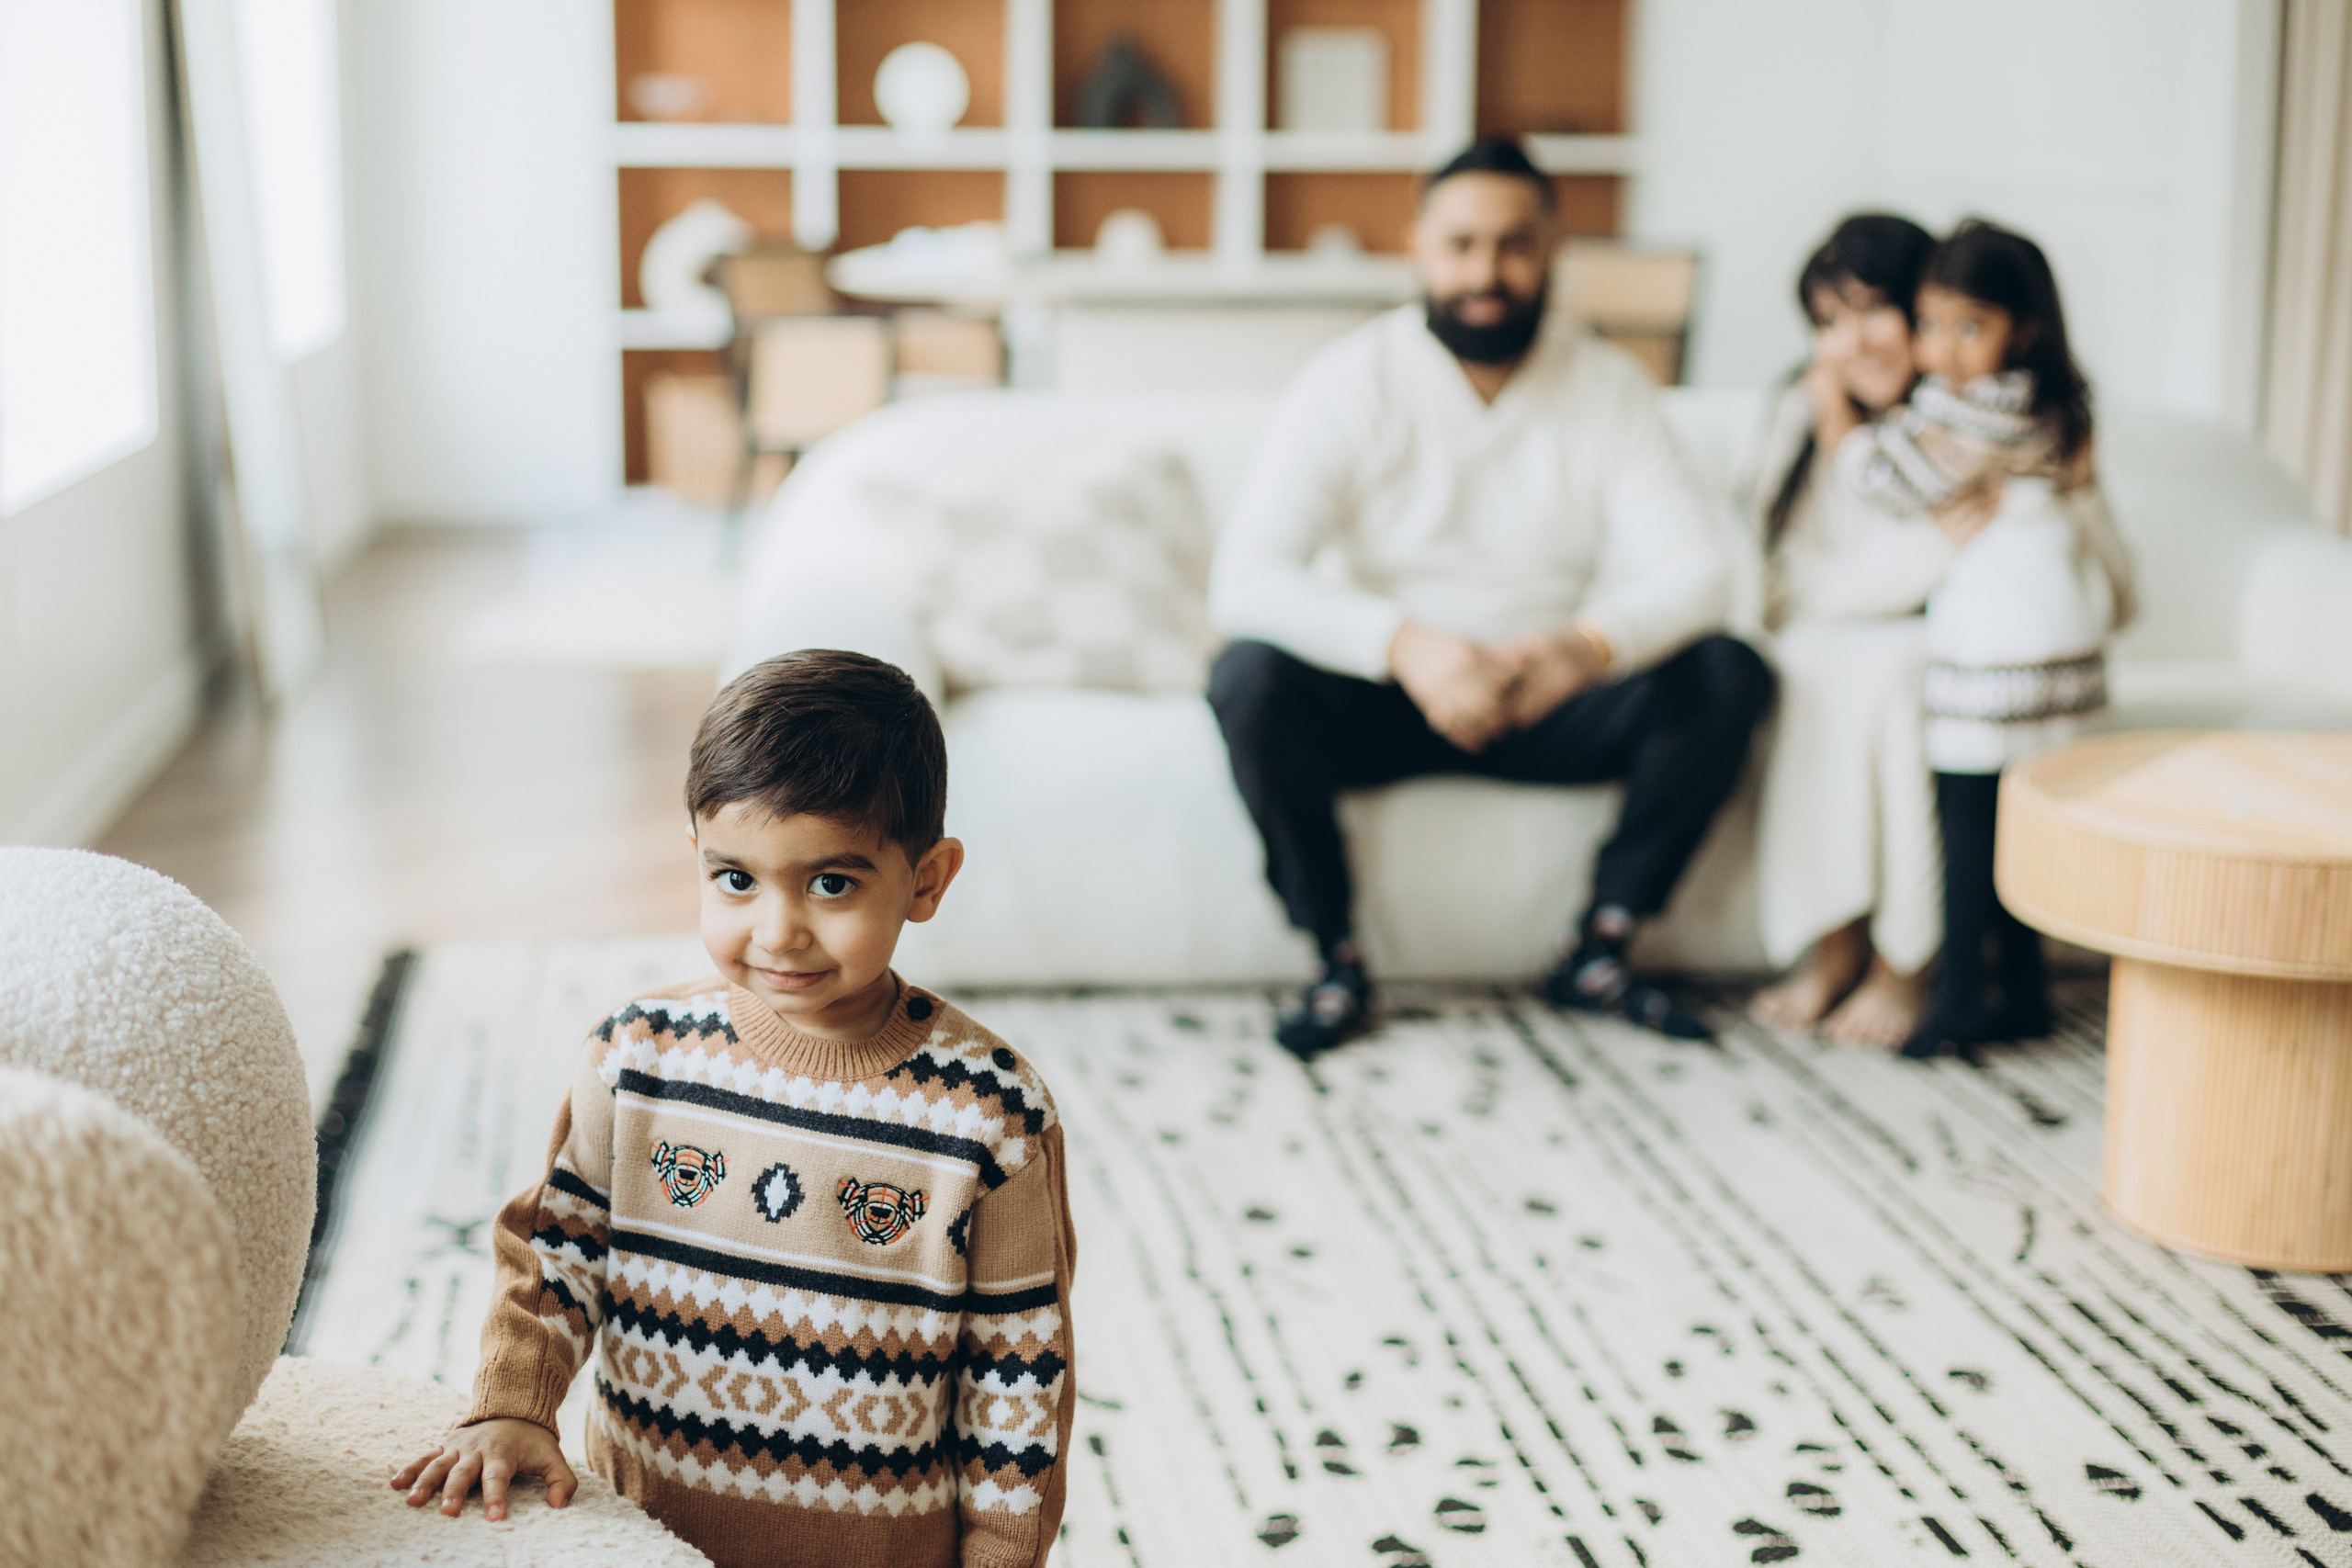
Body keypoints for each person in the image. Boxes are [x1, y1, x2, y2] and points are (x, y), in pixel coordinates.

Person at [390, 651, 1077, 1568]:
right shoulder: (636, 1059)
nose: (777, 929)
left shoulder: (989, 1115)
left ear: (925, 879)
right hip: (642, 1536)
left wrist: (998, 1557)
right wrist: (515, 1404)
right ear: (697, 861)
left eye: (830, 883)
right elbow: (555, 1250)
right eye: (735, 879)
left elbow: (1017, 1372)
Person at [1206, 137, 1773, 1059]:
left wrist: (1583, 650)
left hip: (1550, 692)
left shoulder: (1606, 387)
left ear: (1552, 250)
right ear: (1418, 248)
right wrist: (1407, 647)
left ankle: (1600, 948)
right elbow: (1246, 579)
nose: (1487, 271)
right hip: (1391, 696)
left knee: (1726, 672)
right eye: (1462, 244)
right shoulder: (1352, 380)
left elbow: (1701, 572)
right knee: (1248, 676)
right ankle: (1334, 958)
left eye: (1515, 245)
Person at [1833, 220, 2129, 1056]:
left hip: (2003, 646)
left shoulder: (1978, 410)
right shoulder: (2052, 403)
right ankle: (2024, 990)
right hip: (2052, 640)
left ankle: (1962, 991)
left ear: (2022, 329)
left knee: (1966, 824)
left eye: (1971, 326)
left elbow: (1888, 482)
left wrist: (1839, 417)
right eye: (1930, 325)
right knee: (2017, 826)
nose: (1945, 351)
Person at [1744, 215, 1955, 1047]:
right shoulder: (1799, 410)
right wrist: (1833, 433)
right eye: (1828, 323)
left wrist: (1899, 569)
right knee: (1811, 666)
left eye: (1873, 311)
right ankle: (1834, 944)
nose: (1851, 342)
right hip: (1828, 636)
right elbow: (1782, 576)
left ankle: (1906, 959)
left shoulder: (1965, 418)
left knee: (1899, 680)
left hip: (1935, 643)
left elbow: (1953, 576)